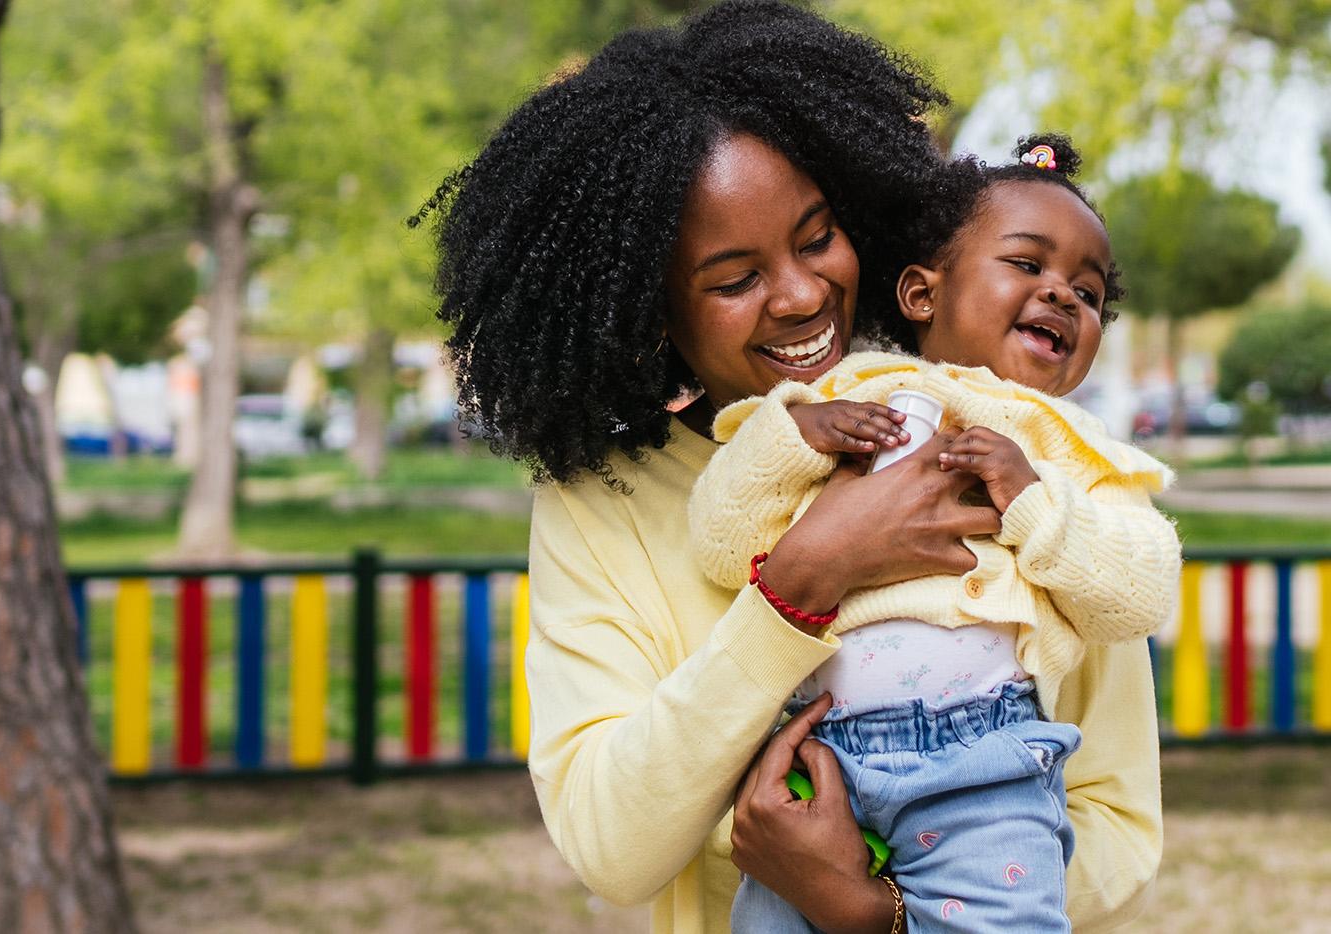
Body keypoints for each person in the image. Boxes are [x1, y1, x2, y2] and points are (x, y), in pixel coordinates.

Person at [418, 3, 1163, 931]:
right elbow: (612, 848)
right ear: (653, 312)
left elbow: (1122, 824)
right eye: (734, 280)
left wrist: (875, 914)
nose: (804, 293)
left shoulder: (1008, 439)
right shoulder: (602, 500)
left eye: (817, 238)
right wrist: (802, 583)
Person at [689, 135, 1180, 932]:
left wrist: (1032, 498)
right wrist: (798, 437)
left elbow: (1139, 595)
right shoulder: (846, 394)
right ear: (922, 294)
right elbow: (721, 541)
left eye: (1087, 294)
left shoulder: (1076, 452)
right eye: (1027, 265)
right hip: (822, 758)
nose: (1061, 295)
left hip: (986, 767)